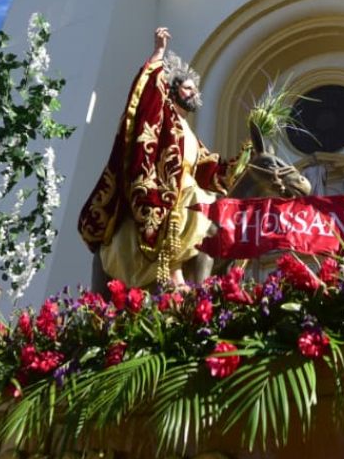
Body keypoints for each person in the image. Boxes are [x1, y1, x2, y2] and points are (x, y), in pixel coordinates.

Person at [77, 27, 230, 287]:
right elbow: (145, 99)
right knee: (196, 201)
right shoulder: (164, 117)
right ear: (173, 90)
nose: (194, 94)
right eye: (188, 89)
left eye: (195, 90)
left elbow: (209, 169)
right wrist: (158, 54)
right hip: (164, 187)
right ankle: (174, 271)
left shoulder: (190, 135)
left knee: (217, 206)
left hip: (185, 186)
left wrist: (248, 158)